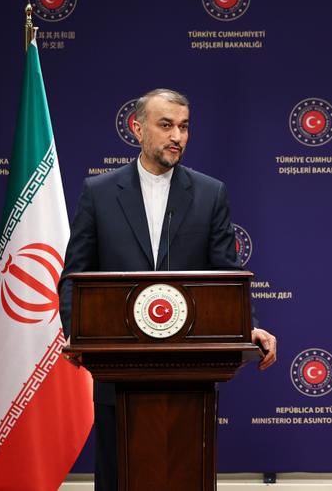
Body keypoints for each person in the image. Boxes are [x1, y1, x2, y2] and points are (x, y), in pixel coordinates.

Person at [58, 88, 278, 490]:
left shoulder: (210, 193)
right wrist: (76, 334)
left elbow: (227, 275)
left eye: (184, 127)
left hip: (189, 373)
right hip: (117, 367)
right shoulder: (100, 192)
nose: (177, 135)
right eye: (166, 125)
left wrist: (249, 327)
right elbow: (75, 275)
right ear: (136, 128)